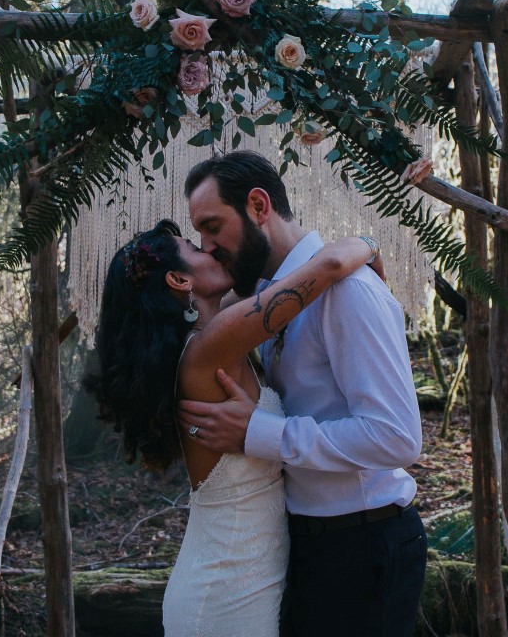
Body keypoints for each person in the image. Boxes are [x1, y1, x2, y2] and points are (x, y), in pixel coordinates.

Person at [85, 217, 387, 637]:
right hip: (223, 593)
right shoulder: (212, 345)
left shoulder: (211, 335)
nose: (209, 249)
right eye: (194, 247)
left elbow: (267, 284)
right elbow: (332, 264)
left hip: (238, 580)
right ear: (177, 279)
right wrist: (370, 243)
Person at [177, 150, 429, 637]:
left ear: (258, 206)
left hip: (366, 544)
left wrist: (260, 433)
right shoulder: (271, 298)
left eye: (212, 226)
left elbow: (397, 438)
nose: (207, 247)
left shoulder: (347, 290)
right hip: (308, 546)